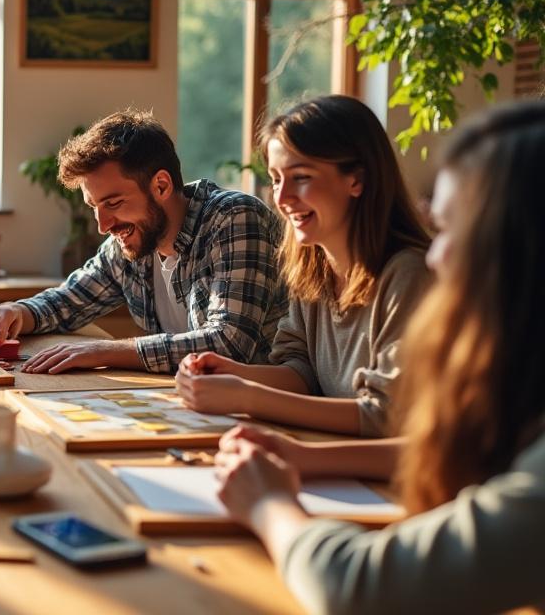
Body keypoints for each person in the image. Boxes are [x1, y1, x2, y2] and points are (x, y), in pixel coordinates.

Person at [215, 101, 545, 614]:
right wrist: (293, 449)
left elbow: (358, 587)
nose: (436, 254)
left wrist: (269, 503)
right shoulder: (518, 400)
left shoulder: (406, 272)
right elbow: (432, 444)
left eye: (456, 230)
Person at [176, 96, 430, 436]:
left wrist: (248, 397)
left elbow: (385, 416)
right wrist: (232, 373)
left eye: (301, 177)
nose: (281, 199)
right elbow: (301, 372)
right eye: (277, 179)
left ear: (356, 180)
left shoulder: (408, 275)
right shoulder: (314, 269)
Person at [0, 110, 287, 374]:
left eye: (113, 203)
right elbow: (69, 301)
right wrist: (17, 311)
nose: (103, 225)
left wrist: (105, 351)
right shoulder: (133, 241)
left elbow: (228, 345)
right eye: (94, 206)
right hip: (194, 404)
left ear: (161, 186)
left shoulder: (234, 218)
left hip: (270, 418)